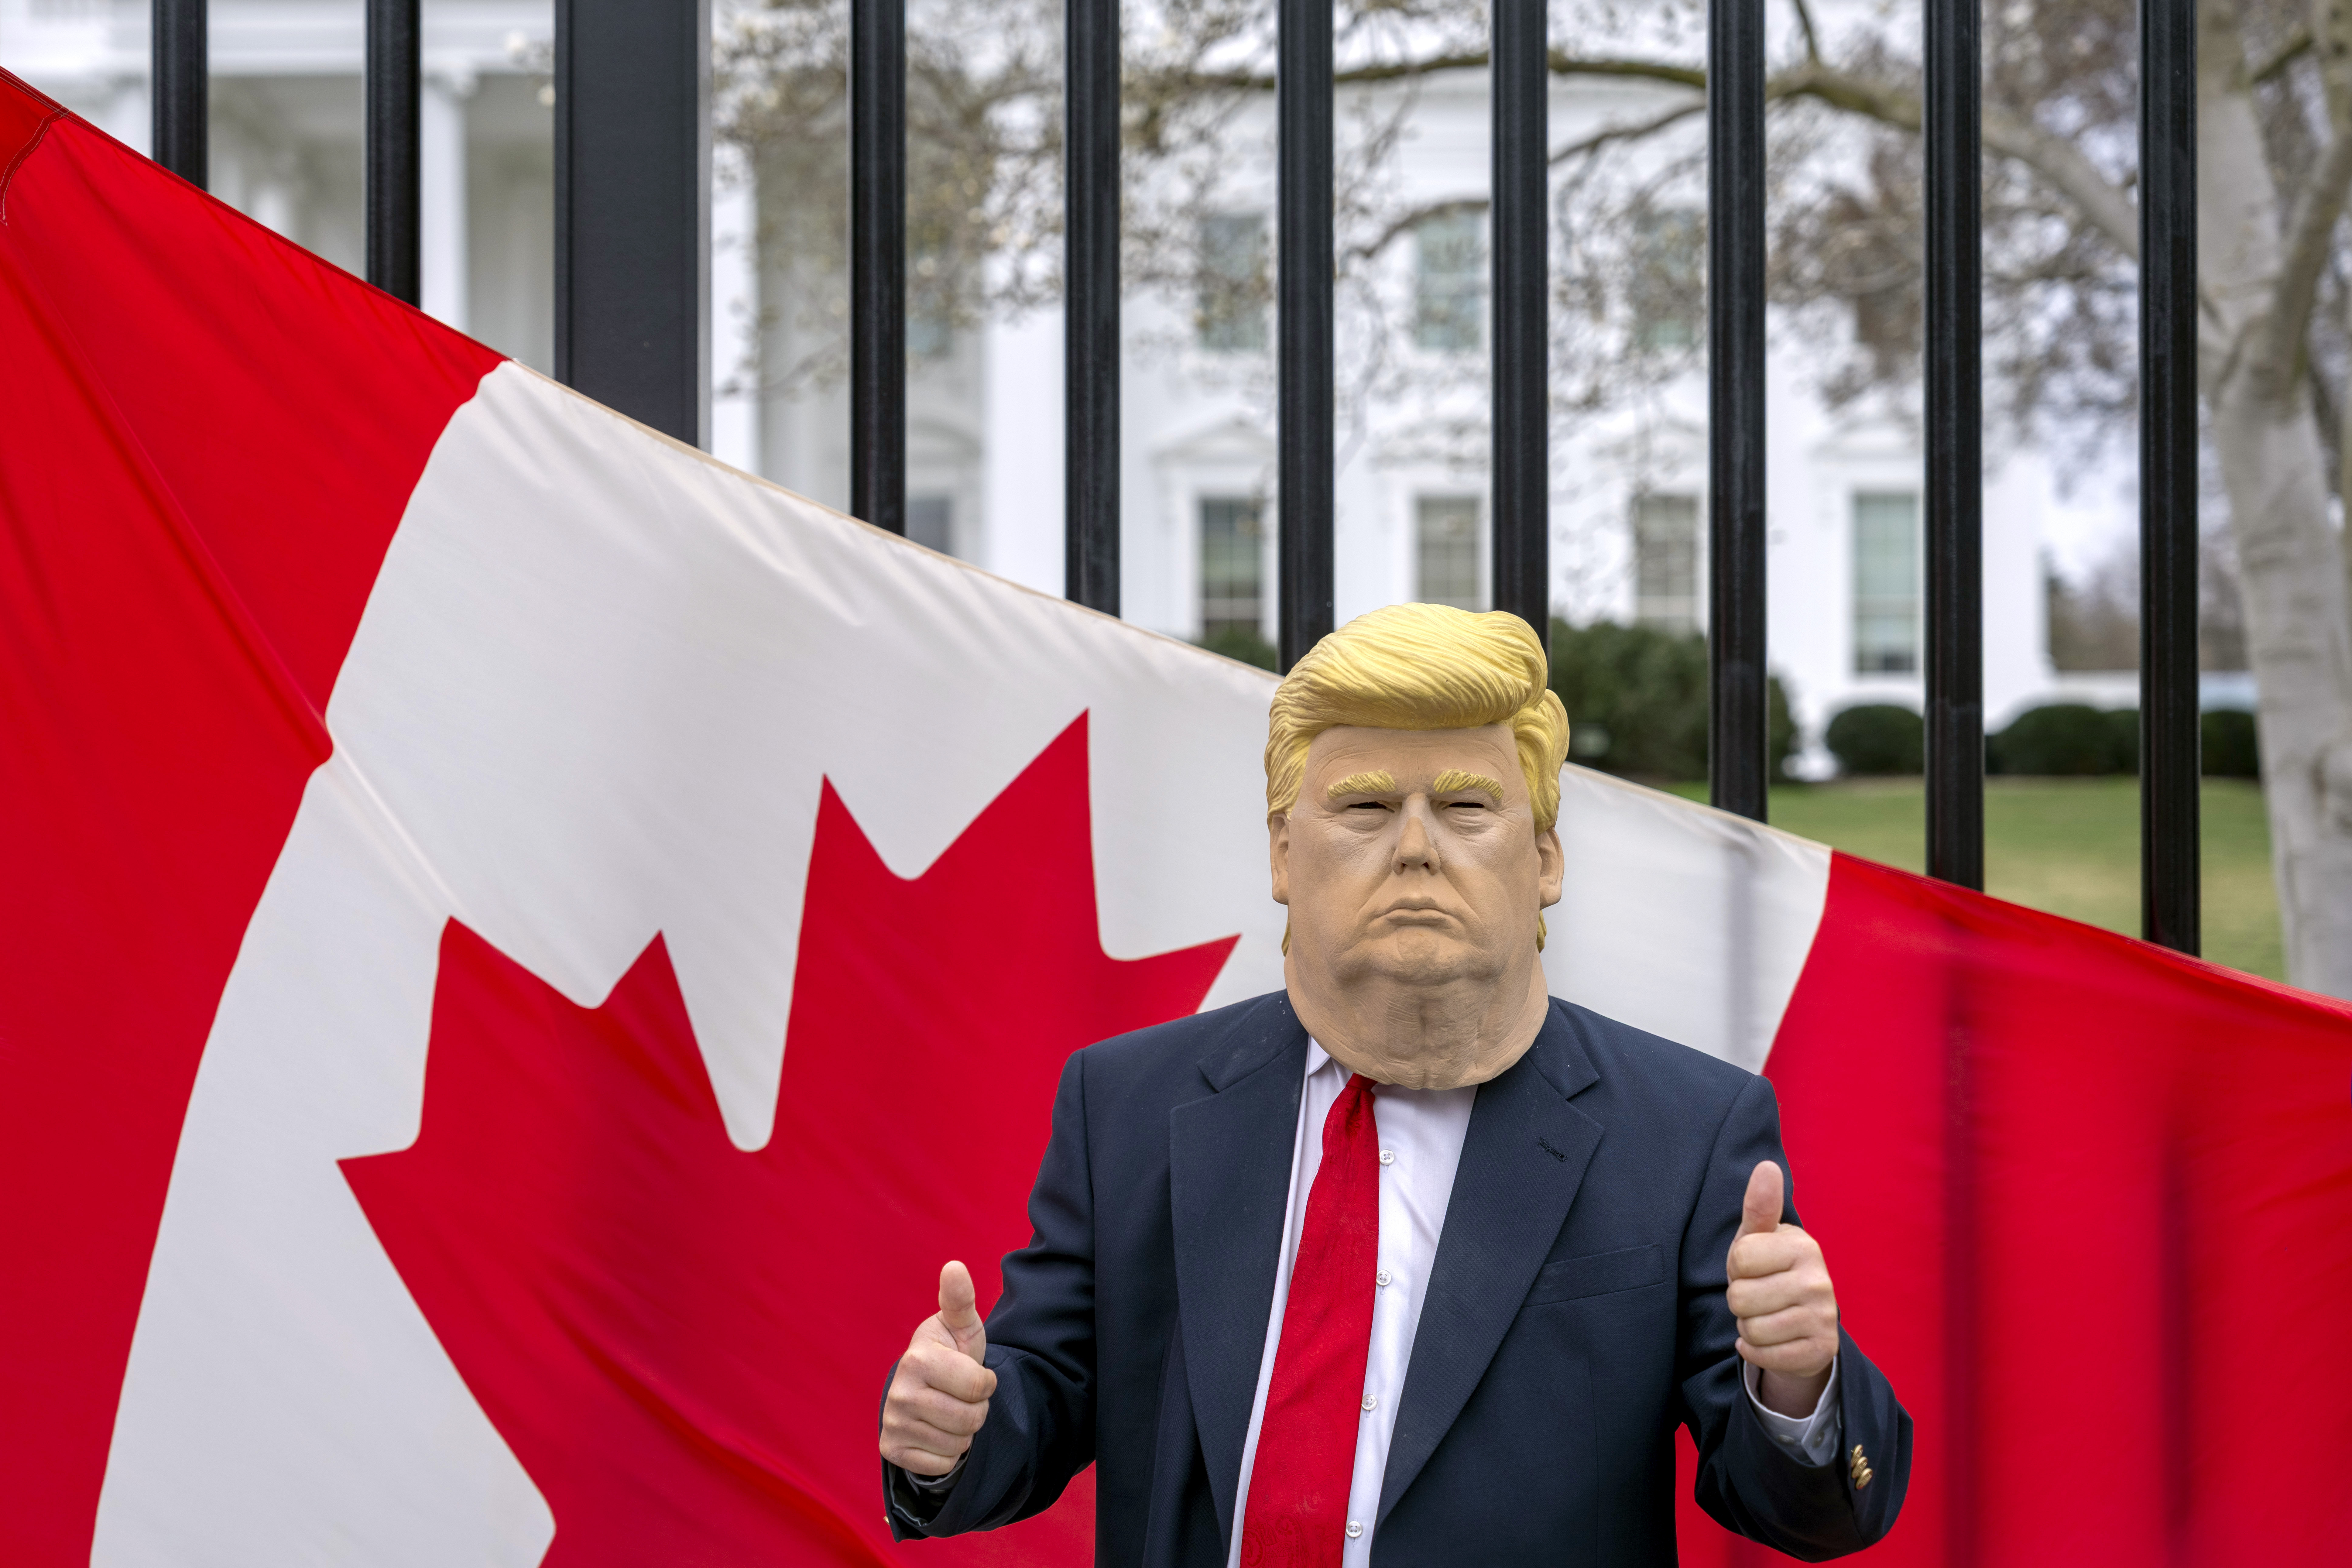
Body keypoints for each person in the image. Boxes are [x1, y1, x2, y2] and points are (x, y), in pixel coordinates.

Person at [878, 603, 1909, 1565]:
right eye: (1365, 805)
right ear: (1283, 852)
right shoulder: (1130, 1104)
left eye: (1465, 806)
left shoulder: (1687, 1130)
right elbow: (1041, 1401)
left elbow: (1807, 1514)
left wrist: (1797, 1380)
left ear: (1546, 857)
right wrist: (952, 1432)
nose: (1416, 847)